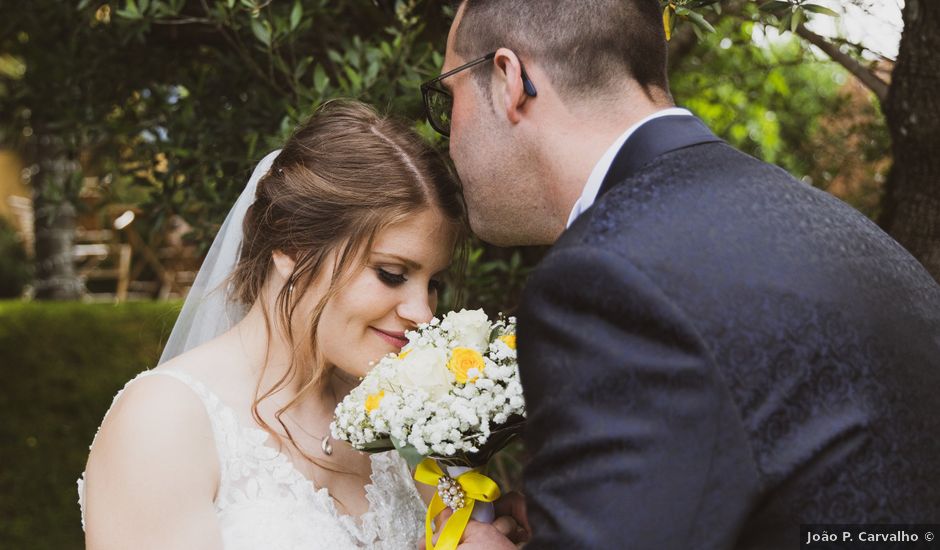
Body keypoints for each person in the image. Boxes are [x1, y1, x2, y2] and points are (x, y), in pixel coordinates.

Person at [421, 1, 940, 548]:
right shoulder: (835, 229)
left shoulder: (609, 276)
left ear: (509, 78)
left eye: (447, 97)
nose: (446, 135)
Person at [78, 100, 467, 549]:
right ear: (292, 244)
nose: (423, 312)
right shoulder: (164, 421)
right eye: (391, 274)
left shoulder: (399, 418)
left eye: (433, 282)